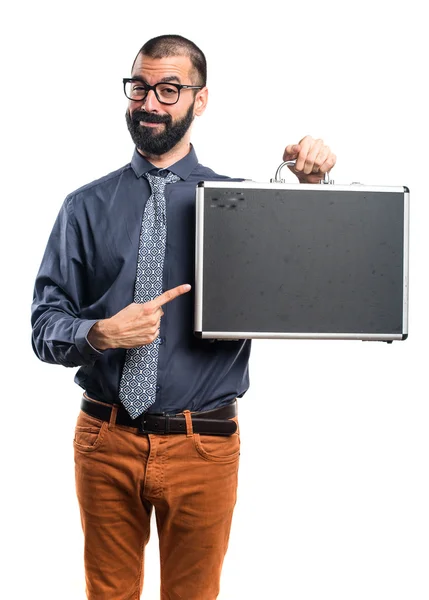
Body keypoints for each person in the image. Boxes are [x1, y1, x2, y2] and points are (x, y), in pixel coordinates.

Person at [31, 34, 336, 600]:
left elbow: (313, 286)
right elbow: (44, 325)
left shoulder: (243, 207)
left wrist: (312, 192)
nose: (150, 102)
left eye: (169, 89)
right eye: (140, 87)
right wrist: (100, 333)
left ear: (200, 100)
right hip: (105, 439)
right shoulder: (84, 207)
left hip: (204, 445)